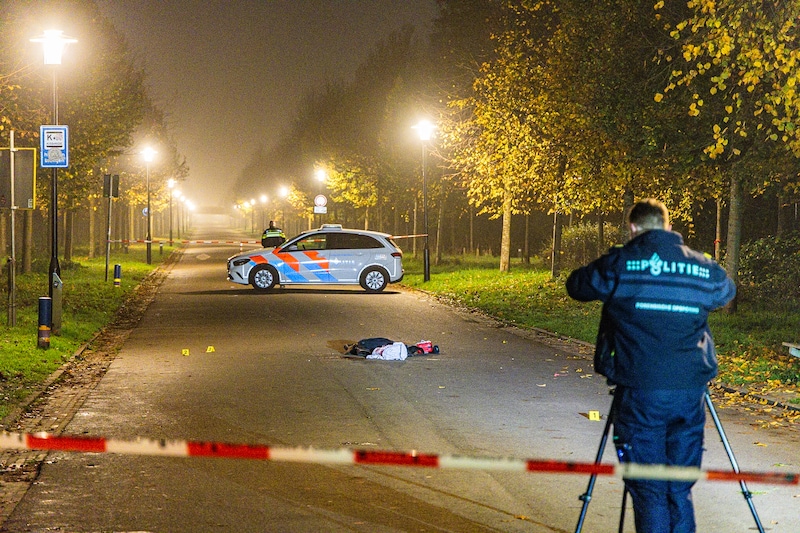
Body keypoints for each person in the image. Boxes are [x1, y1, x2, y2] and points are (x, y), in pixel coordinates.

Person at [565, 199, 735, 533]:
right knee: (679, 488)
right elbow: (725, 292)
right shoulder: (702, 266)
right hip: (689, 393)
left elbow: (577, 286)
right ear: (668, 227)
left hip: (639, 391)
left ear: (633, 228)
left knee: (649, 490)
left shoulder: (621, 263)